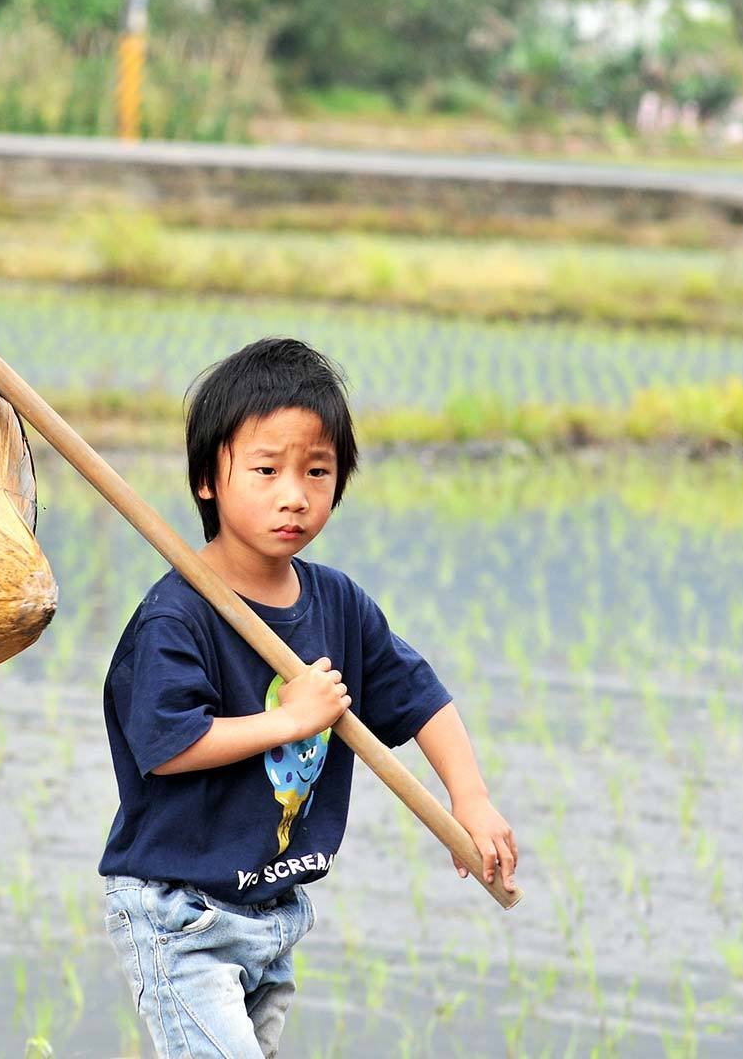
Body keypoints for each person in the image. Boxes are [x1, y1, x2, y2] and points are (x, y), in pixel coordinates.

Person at [98, 336, 519, 1058]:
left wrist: (470, 797)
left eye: (316, 471)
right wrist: (288, 720)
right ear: (208, 480)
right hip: (180, 909)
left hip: (273, 909)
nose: (293, 494)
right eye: (266, 470)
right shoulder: (179, 614)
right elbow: (168, 746)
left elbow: (418, 696)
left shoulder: (338, 604)